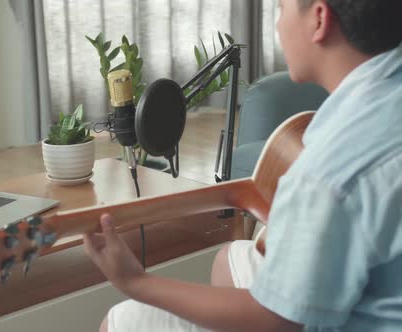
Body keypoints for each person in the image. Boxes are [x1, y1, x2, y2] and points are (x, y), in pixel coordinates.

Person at [83, 0, 402, 331]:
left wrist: (136, 282)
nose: (278, 27)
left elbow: (276, 320)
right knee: (230, 258)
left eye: (281, 9)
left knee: (123, 320)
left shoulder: (330, 168)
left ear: (319, 19)